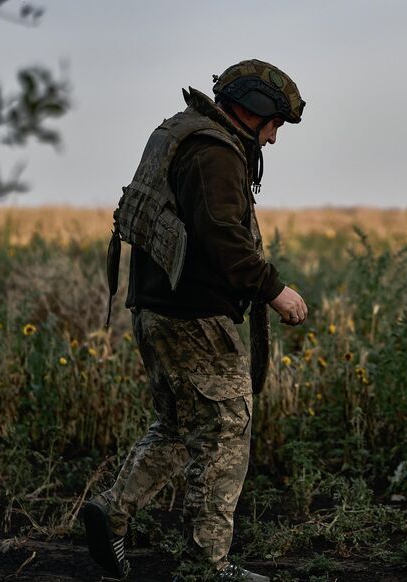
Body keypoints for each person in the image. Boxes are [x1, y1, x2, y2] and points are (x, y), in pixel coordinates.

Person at [84, 59, 308, 582]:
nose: (274, 138)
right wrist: (276, 290)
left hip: (158, 312)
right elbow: (222, 238)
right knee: (228, 426)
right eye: (274, 123)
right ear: (251, 111)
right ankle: (208, 565)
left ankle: (112, 513)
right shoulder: (215, 154)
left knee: (184, 426)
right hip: (193, 317)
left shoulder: (189, 137)